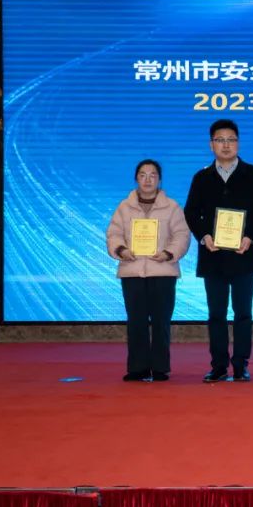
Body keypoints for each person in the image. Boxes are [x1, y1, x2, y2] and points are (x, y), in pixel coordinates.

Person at [184, 119, 253, 383]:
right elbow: (191, 212)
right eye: (220, 140)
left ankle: (241, 365)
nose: (226, 145)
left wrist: (250, 237)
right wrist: (204, 236)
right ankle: (219, 366)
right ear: (211, 144)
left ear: (238, 143)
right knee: (216, 314)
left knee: (243, 313)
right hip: (213, 256)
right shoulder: (201, 177)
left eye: (231, 139)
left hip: (245, 255)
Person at [106, 159, 191, 382]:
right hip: (132, 271)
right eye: (143, 175)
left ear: (159, 180)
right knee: (136, 321)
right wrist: (121, 250)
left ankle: (160, 368)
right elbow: (114, 234)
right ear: (136, 178)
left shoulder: (172, 207)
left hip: (163, 271)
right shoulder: (124, 207)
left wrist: (169, 253)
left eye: (153, 175)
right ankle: (138, 368)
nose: (147, 180)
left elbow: (182, 235)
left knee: (161, 321)